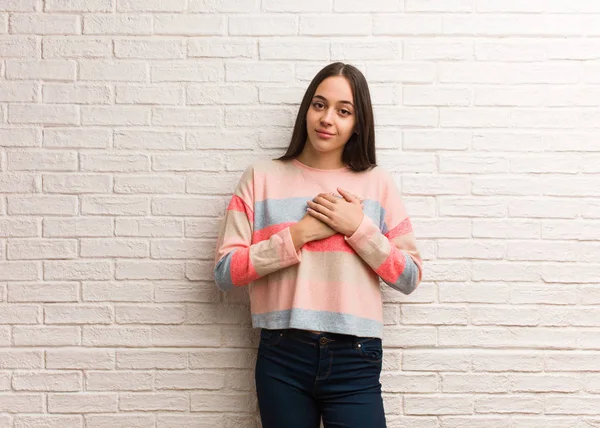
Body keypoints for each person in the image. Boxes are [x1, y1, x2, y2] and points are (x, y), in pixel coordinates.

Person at [213, 62, 423, 428]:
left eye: (344, 111)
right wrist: (300, 234)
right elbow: (225, 272)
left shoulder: (378, 184)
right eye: (319, 104)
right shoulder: (261, 178)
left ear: (358, 124)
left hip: (356, 356)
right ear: (306, 109)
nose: (327, 118)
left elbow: (409, 276)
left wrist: (358, 228)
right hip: (282, 355)